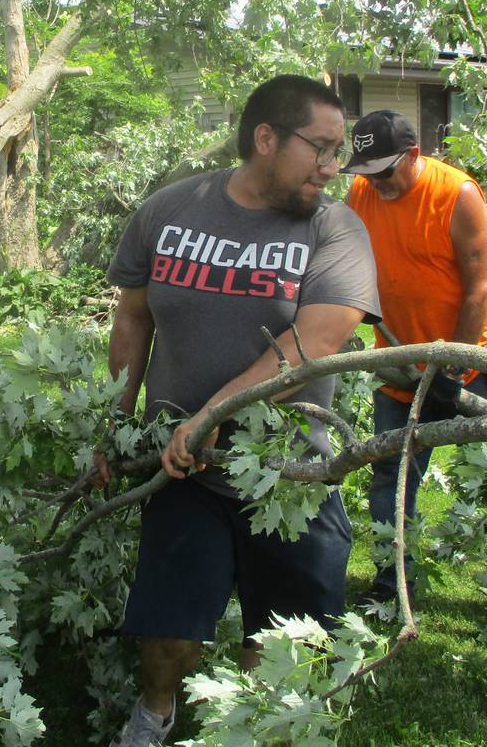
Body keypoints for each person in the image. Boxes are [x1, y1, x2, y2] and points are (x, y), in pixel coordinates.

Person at [98, 75, 381, 747]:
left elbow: (316, 339)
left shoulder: (333, 227)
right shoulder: (169, 212)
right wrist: (113, 423)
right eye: (320, 148)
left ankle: (248, 731)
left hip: (292, 477)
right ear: (265, 139)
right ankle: (155, 714)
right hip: (185, 471)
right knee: (168, 632)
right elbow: (132, 320)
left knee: (278, 643)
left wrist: (216, 408)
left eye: (337, 151)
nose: (332, 167)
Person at [342, 109, 487, 604]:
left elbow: (477, 290)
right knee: (391, 473)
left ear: (413, 155)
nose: (375, 182)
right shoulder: (363, 192)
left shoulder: (458, 195)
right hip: (401, 358)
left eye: (385, 170)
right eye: (366, 170)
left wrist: (452, 366)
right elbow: (350, 258)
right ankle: (391, 582)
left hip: (474, 358)